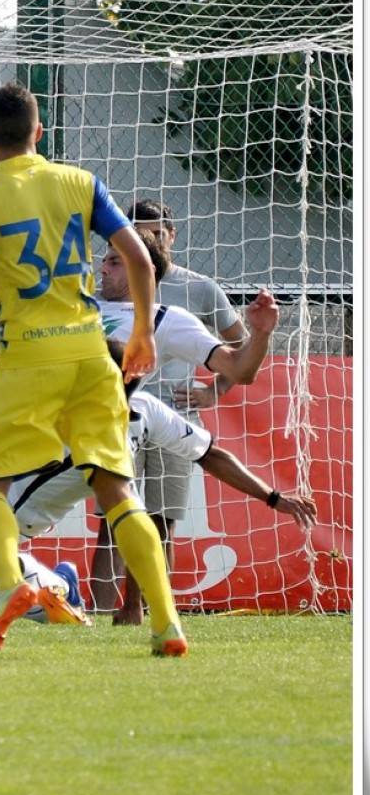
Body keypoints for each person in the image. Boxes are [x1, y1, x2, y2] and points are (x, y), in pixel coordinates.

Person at [0, 340, 316, 623]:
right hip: (4, 479)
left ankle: (36, 592)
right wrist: (271, 496)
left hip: (1, 501)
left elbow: (206, 455)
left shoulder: (102, 414)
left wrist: (272, 495)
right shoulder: (132, 408)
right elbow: (211, 453)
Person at [91, 230, 279, 621]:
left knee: (159, 521)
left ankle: (143, 611)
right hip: (95, 432)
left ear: (143, 271)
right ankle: (92, 613)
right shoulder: (80, 310)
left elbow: (240, 370)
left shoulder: (168, 318)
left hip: (164, 421)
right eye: (104, 259)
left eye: (113, 261)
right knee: (112, 524)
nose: (101, 268)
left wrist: (260, 335)